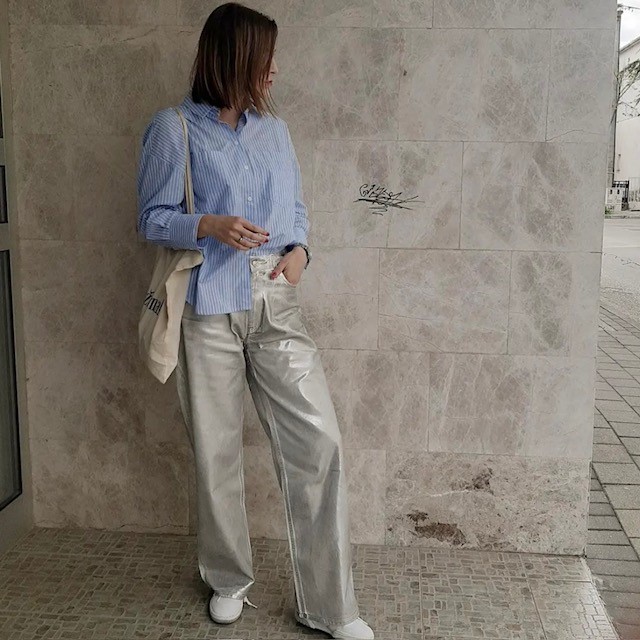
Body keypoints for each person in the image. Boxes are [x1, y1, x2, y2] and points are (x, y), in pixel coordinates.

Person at [136, 3, 374, 639]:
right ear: (234, 59)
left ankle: (330, 606)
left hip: (275, 300)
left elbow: (293, 209)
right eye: (263, 59)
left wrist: (300, 253)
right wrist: (206, 225)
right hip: (207, 308)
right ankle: (227, 579)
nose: (272, 73)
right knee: (215, 453)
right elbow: (151, 218)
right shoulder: (172, 129)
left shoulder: (276, 132)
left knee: (318, 442)